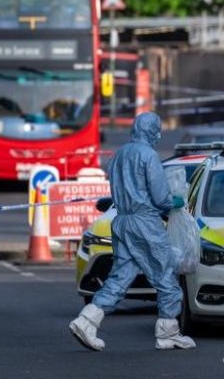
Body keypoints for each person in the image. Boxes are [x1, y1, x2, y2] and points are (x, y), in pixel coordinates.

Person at [69, 111, 195, 352]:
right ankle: (168, 332)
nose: (159, 134)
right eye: (157, 130)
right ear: (151, 131)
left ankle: (87, 321)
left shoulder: (119, 155)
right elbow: (160, 197)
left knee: (120, 277)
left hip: (122, 221)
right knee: (166, 273)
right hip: (145, 223)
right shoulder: (149, 156)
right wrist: (175, 201)